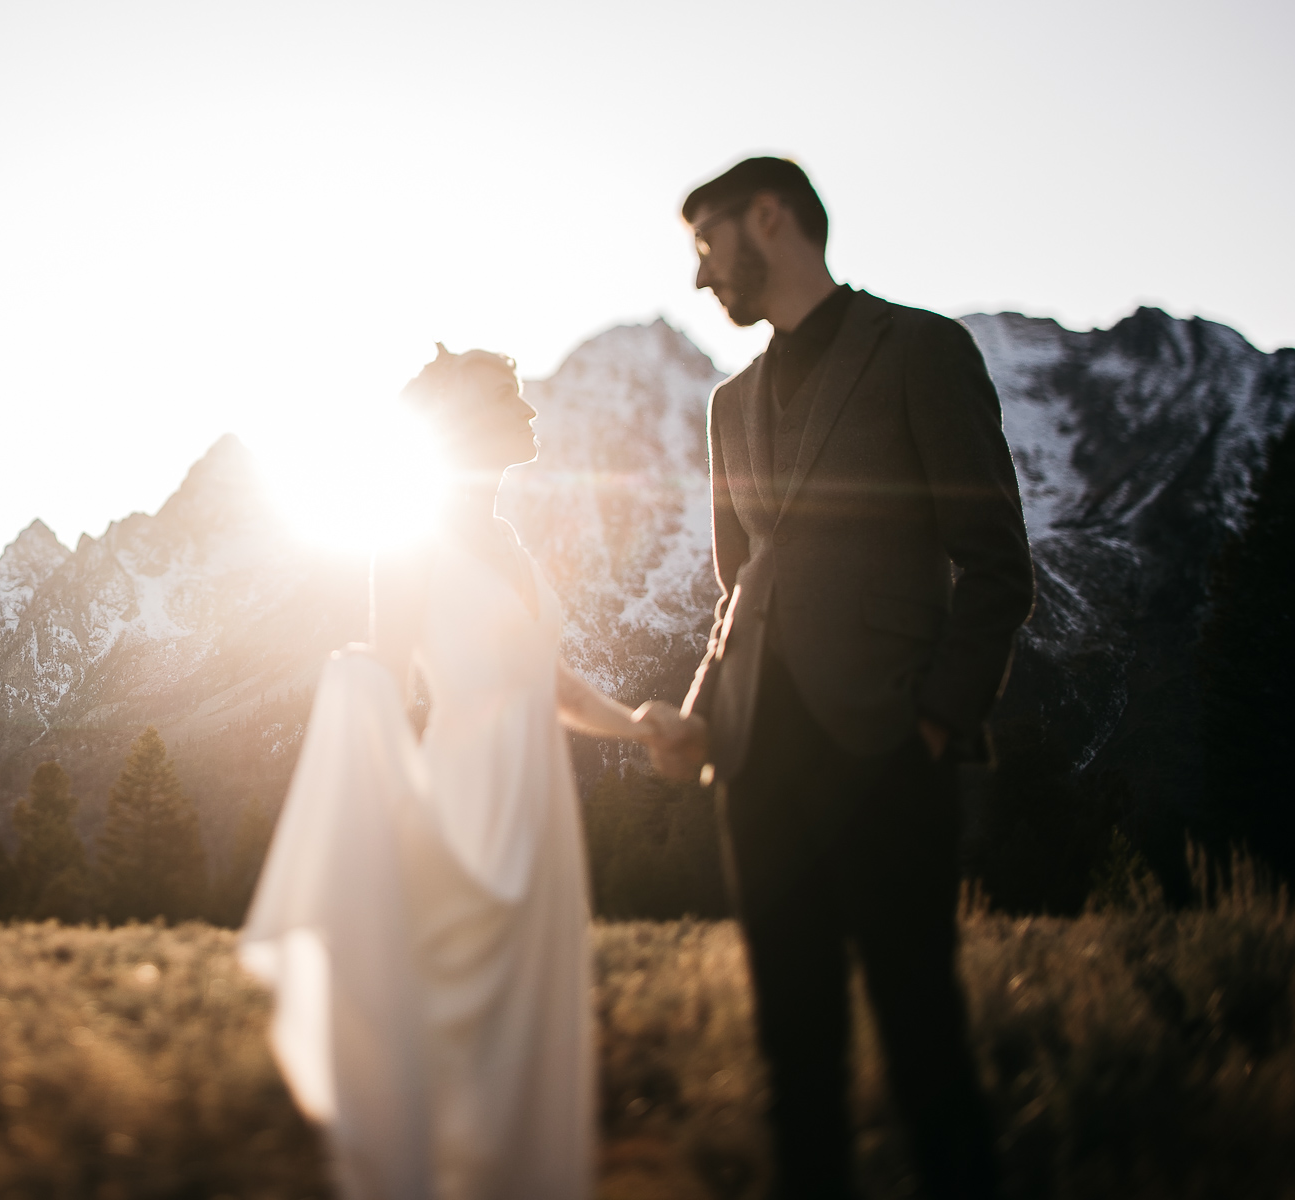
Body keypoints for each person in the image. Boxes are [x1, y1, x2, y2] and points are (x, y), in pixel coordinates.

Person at [640, 158, 1035, 1199]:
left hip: (889, 754)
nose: (699, 278)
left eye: (706, 244)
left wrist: (938, 725)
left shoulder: (922, 350)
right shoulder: (730, 406)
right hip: (757, 770)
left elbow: (997, 563)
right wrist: (697, 719)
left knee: (924, 1049)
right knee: (795, 1061)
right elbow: (741, 593)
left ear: (769, 220)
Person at [241, 345, 665, 1200]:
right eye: (512, 398)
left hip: (541, 814)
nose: (533, 412)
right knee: (456, 1030)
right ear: (468, 425)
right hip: (465, 803)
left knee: (526, 1037)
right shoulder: (406, 545)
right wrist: (388, 813)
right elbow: (386, 683)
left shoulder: (516, 543)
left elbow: (555, 687)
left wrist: (647, 730)